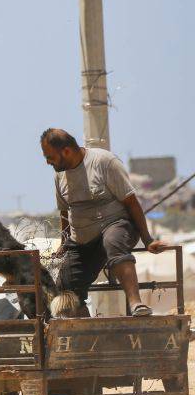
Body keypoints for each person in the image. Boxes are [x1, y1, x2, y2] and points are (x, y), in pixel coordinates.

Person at [41, 128, 166, 317]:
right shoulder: (60, 174)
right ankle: (84, 334)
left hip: (117, 226)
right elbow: (64, 213)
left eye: (50, 156)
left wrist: (148, 240)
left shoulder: (104, 162)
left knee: (112, 242)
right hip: (82, 240)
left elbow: (131, 202)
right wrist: (64, 243)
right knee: (66, 287)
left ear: (66, 151)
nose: (47, 161)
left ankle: (136, 304)